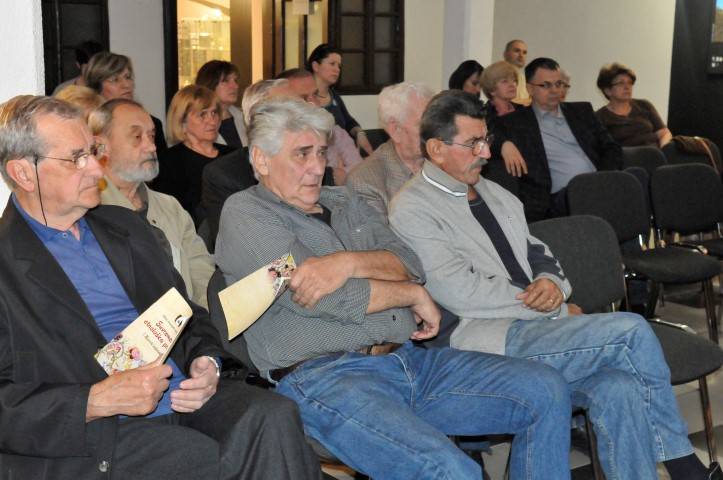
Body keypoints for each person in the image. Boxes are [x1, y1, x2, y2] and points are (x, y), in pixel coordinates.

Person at [215, 96, 574, 480]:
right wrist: (410, 294)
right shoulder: (246, 213)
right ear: (261, 159)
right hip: (325, 379)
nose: (318, 167)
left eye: (321, 152)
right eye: (302, 154)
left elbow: (410, 262)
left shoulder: (345, 201)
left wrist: (346, 263)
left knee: (546, 389)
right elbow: (325, 297)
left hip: (405, 361)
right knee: (452, 471)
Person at [389, 89, 722, 480]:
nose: (486, 153)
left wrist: (552, 284)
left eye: (486, 140)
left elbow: (539, 253)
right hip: (482, 340)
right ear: (436, 148)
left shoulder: (495, 193)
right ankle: (685, 467)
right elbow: (461, 291)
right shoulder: (412, 207)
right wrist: (556, 309)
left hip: (536, 328)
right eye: (473, 143)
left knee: (619, 386)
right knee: (631, 331)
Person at [0, 94, 324, 480]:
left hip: (183, 395)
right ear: (24, 173)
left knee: (273, 416)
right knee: (205, 457)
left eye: (93, 152)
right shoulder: (7, 264)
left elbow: (187, 315)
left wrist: (207, 362)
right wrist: (93, 400)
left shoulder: (126, 227)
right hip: (97, 431)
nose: (96, 169)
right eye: (76, 158)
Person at [89, 98, 215, 309]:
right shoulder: (89, 210)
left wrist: (206, 320)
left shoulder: (170, 206)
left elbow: (202, 274)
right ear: (101, 146)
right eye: (137, 137)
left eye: (152, 136)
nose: (151, 146)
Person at [492, 57, 622, 222]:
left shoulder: (582, 111)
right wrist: (504, 144)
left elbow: (611, 146)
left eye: (559, 84)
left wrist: (604, 177)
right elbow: (486, 137)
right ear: (530, 89)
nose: (554, 90)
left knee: (637, 176)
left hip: (597, 184)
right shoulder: (516, 122)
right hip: (558, 200)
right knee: (585, 192)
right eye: (546, 85)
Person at [347, 82, 433, 217]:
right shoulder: (365, 182)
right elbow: (380, 232)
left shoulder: (444, 164)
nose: (435, 131)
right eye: (424, 124)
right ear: (395, 129)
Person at [152, 85, 234, 226]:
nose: (212, 120)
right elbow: (169, 215)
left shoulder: (233, 155)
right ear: (182, 121)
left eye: (214, 113)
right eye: (202, 114)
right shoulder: (169, 162)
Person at [279, 68, 364, 184]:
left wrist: (341, 175)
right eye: (303, 98)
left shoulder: (335, 132)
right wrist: (332, 177)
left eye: (315, 94)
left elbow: (360, 172)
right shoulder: (277, 142)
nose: (313, 103)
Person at [84, 51, 168, 153]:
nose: (126, 85)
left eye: (128, 77)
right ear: (97, 86)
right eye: (115, 79)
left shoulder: (151, 124)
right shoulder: (86, 124)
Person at [307, 43, 374, 155]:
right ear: (316, 66)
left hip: (344, 155)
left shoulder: (334, 96)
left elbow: (349, 122)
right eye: (332, 64)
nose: (337, 69)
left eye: (339, 66)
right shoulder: (304, 98)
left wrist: (360, 134)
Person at [595, 62, 673, 147]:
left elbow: (664, 133)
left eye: (630, 82)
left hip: (655, 152)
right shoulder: (599, 117)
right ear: (608, 91)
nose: (627, 87)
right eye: (621, 83)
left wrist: (664, 150)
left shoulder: (644, 105)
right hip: (627, 154)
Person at [195, 60, 246, 148]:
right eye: (226, 81)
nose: (236, 86)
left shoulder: (245, 117)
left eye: (235, 80)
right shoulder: (194, 122)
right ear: (209, 84)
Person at [480, 60, 522, 130]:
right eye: (504, 81)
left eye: (514, 80)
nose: (512, 85)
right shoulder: (483, 116)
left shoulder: (523, 110)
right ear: (491, 90)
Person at [503, 39, 530, 106]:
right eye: (517, 51)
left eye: (524, 52)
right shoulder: (499, 75)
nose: (521, 55)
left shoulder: (524, 78)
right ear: (505, 54)